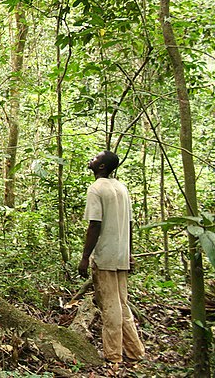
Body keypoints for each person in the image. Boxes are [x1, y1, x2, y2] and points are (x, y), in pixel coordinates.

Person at [77, 150, 145, 364]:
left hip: (106, 255)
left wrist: (85, 256)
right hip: (121, 254)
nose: (91, 158)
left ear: (101, 167)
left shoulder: (96, 188)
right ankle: (135, 351)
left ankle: (113, 355)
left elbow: (95, 224)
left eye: (95, 158)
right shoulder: (121, 188)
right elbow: (130, 224)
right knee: (122, 303)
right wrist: (129, 252)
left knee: (110, 305)